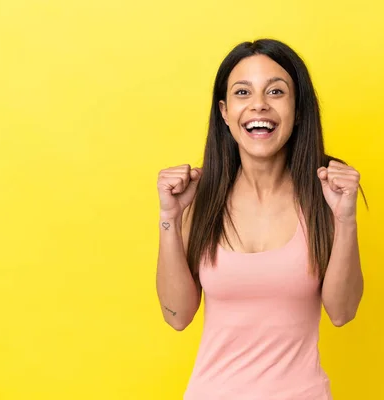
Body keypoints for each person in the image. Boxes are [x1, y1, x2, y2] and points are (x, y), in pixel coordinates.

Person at [156, 38, 366, 400]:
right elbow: (177, 315)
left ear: (298, 109)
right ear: (224, 111)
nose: (258, 105)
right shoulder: (201, 197)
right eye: (242, 92)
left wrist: (346, 220)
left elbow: (342, 312)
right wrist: (169, 217)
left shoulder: (325, 195)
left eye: (276, 91)